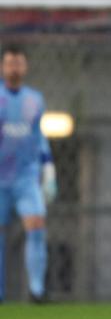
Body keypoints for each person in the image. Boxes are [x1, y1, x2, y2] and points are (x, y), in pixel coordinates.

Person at [0, 45, 57, 303]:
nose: (14, 68)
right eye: (10, 63)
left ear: (25, 67)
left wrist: (48, 170)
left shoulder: (35, 99)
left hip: (25, 177)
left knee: (36, 226)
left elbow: (38, 137)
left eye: (18, 63)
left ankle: (37, 290)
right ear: (3, 67)